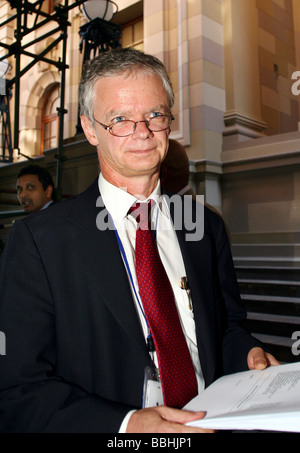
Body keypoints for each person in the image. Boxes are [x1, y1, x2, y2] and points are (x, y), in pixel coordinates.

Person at [0, 48, 279, 433]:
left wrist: (248, 353)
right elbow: (18, 388)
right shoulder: (40, 242)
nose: (143, 131)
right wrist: (126, 426)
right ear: (90, 128)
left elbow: (227, 328)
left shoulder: (204, 226)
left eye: (155, 115)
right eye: (120, 119)